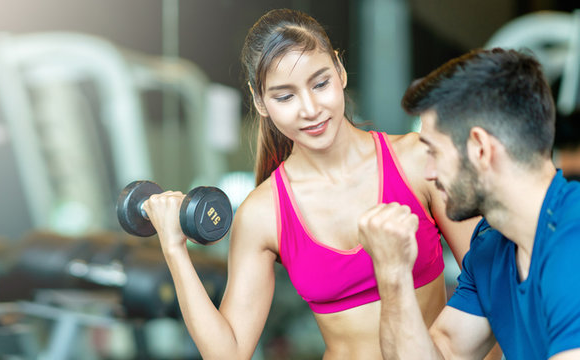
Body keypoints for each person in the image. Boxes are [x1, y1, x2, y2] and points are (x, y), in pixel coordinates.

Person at [141, 8, 479, 359]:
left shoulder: (417, 162)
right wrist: (175, 248)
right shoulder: (263, 213)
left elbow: (492, 285)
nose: (310, 108)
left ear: (340, 70)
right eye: (285, 97)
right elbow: (228, 353)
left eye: (320, 83)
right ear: (260, 102)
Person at [358, 48, 580, 359]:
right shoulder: (492, 245)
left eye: (434, 152)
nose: (429, 173)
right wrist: (393, 275)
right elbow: (443, 352)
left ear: (479, 148)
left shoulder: (573, 239)